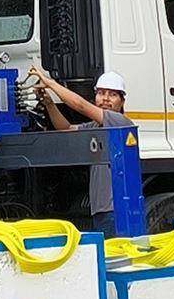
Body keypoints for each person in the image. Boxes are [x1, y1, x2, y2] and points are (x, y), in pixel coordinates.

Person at [34, 69, 131, 233]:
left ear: (122, 102)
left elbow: (81, 106)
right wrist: (49, 104)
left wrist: (50, 83)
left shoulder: (119, 121)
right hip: (100, 211)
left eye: (112, 95)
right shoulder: (94, 126)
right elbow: (66, 128)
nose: (105, 98)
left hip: (116, 210)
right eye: (101, 93)